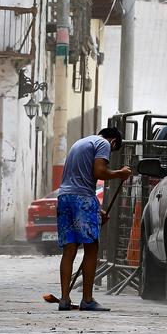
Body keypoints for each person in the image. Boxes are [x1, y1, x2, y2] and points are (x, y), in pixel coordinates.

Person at [57, 127, 132, 312]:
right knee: (91, 248)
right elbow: (99, 172)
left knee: (69, 249)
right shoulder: (103, 143)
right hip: (82, 199)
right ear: (113, 141)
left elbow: (79, 180)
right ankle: (87, 300)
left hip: (64, 198)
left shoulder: (80, 143)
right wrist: (120, 173)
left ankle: (64, 299)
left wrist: (97, 211)